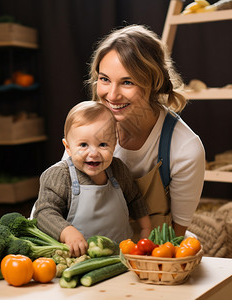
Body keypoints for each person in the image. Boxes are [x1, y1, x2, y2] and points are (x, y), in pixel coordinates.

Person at [86, 24, 205, 238]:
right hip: (92, 251)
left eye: (127, 82)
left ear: (154, 83)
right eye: (104, 79)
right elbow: (59, 193)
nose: (112, 95)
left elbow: (176, 237)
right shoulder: (87, 128)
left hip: (151, 257)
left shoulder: (184, 149)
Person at [33, 101, 152, 257]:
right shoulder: (60, 176)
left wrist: (146, 227)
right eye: (83, 145)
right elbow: (44, 212)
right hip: (78, 259)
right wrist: (67, 233)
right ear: (68, 147)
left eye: (103, 144)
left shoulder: (118, 170)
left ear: (114, 144)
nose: (94, 153)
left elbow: (134, 198)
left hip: (121, 255)